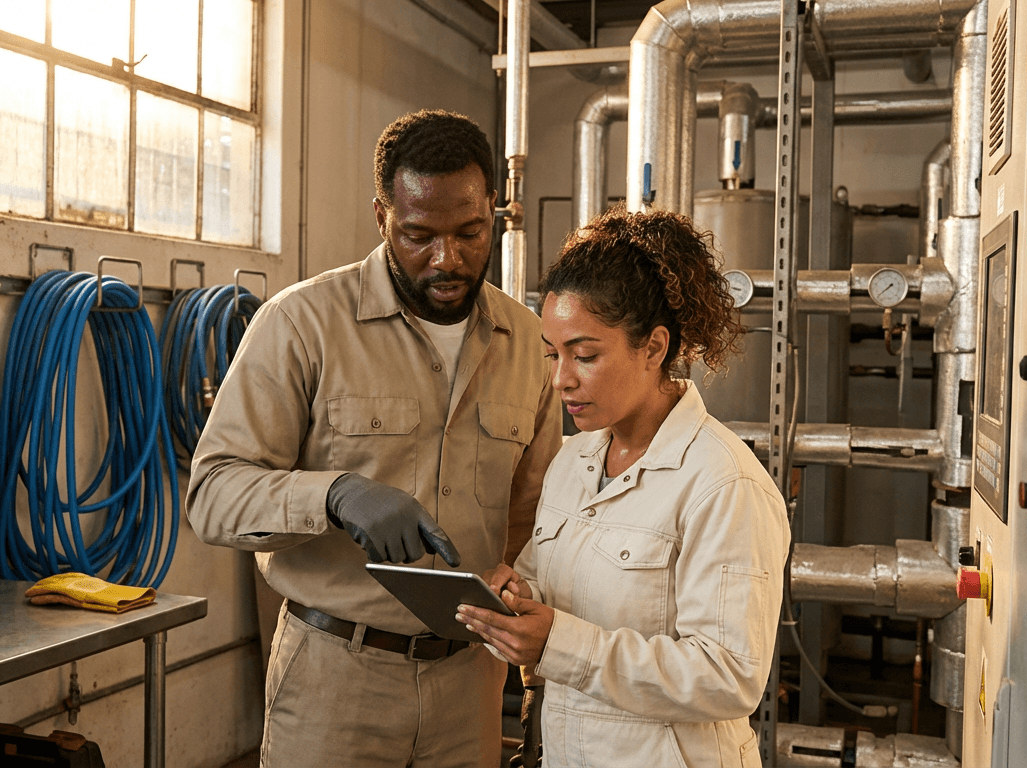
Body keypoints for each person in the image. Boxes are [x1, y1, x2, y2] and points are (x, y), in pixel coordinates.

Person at [187, 110, 562, 768]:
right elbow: (214, 496)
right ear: (381, 216)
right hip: (337, 679)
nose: (447, 259)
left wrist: (537, 667)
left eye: (470, 233)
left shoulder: (530, 344)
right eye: (419, 235)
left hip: (472, 680)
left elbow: (539, 518)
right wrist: (335, 494)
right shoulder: (301, 326)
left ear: (496, 217)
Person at [457, 208, 791, 767]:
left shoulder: (722, 482)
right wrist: (518, 595)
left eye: (584, 355)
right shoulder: (572, 461)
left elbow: (730, 676)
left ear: (654, 348)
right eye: (554, 354)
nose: (562, 378)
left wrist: (557, 645)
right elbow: (550, 580)